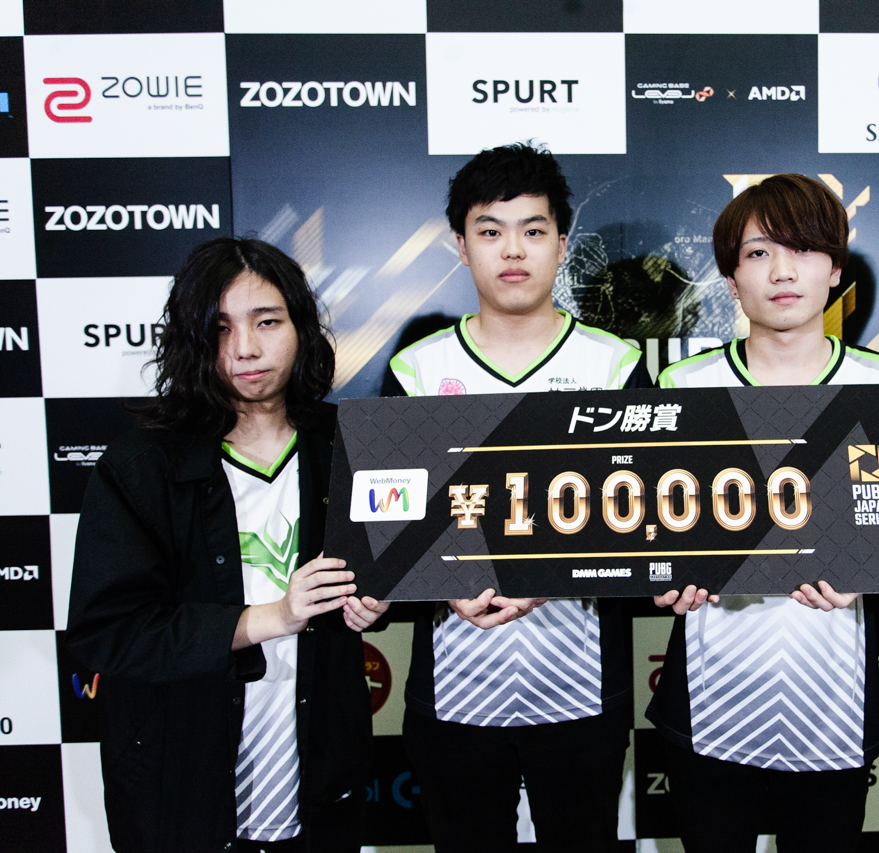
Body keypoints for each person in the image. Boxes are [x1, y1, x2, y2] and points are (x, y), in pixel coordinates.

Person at [66, 238, 388, 853]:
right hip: (181, 783)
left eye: (267, 322)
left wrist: (374, 600)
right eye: (220, 329)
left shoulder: (349, 444)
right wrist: (274, 617)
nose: (245, 348)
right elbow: (107, 631)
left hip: (320, 778)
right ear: (191, 340)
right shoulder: (141, 466)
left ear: (301, 327)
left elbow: (383, 569)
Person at [645, 174, 879, 852]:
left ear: (835, 269)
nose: (781, 271)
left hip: (834, 699)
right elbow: (652, 533)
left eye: (802, 249)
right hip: (708, 695)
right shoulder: (683, 386)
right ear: (731, 279)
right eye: (758, 253)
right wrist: (660, 575)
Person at [389, 143, 648, 852]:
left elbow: (645, 526)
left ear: (561, 245)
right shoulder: (416, 370)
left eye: (533, 230)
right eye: (490, 230)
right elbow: (390, 521)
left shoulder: (614, 365)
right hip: (455, 691)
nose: (512, 250)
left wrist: (551, 572)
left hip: (581, 689)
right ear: (460, 245)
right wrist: (441, 583)